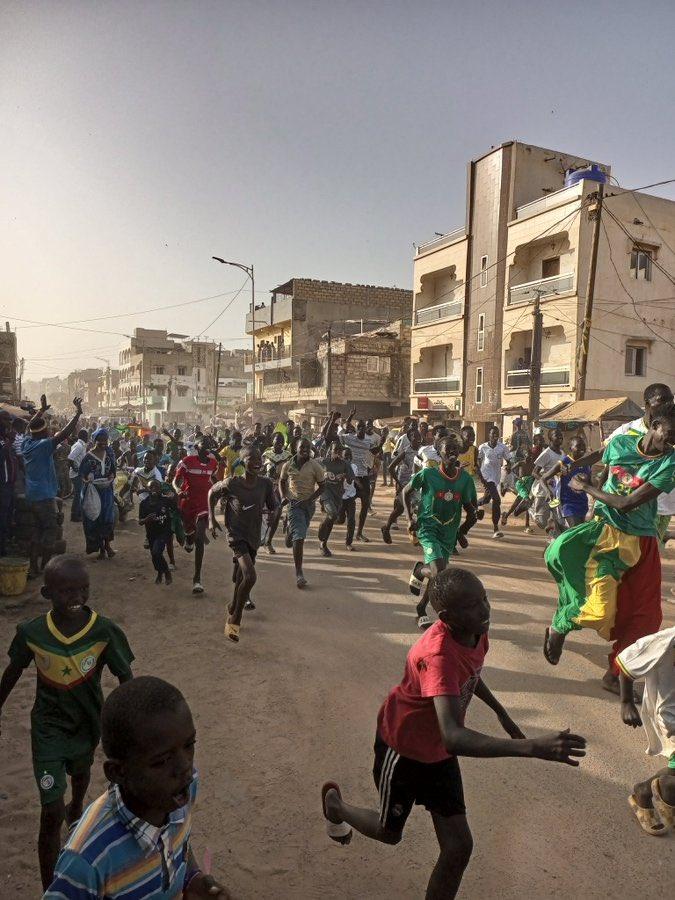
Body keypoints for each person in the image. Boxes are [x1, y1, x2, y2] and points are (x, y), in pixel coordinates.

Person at [321, 568, 586, 900]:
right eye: (473, 606)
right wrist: (530, 746)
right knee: (389, 834)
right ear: (447, 617)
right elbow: (453, 735)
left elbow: (470, 672)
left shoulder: (476, 630)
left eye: (484, 599)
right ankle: (336, 806)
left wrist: (500, 711)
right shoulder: (436, 656)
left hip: (437, 754)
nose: (485, 610)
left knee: (459, 847)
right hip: (404, 749)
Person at [0, 555, 134, 890]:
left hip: (88, 725)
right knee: (51, 813)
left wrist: (131, 723)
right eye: (66, 591)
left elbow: (125, 678)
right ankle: (51, 890)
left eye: (83, 589)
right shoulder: (32, 633)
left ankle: (77, 805)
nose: (76, 597)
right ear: (47, 593)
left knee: (81, 772)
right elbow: (13, 672)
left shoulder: (103, 631)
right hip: (48, 730)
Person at [44, 676, 229, 899]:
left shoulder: (181, 791)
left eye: (189, 745)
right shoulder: (86, 860)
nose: (185, 767)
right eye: (161, 761)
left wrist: (192, 878)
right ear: (118, 772)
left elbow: (177, 843)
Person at [543, 405, 675, 694]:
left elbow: (627, 503)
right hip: (606, 537)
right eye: (669, 433)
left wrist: (586, 487)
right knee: (600, 610)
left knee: (646, 616)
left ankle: (614, 675)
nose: (672, 441)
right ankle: (559, 626)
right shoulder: (620, 442)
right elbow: (602, 456)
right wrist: (576, 468)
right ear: (653, 425)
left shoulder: (670, 462)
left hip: (642, 541)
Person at [403, 434, 478, 630]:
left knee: (439, 573)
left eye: (455, 448)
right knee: (439, 572)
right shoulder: (428, 474)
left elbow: (471, 511)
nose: (452, 452)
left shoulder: (465, 479)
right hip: (428, 527)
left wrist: (462, 532)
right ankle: (422, 609)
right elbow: (405, 491)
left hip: (449, 531)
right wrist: (409, 518)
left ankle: (420, 572)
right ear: (439, 453)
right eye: (448, 449)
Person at [209, 446, 277, 641]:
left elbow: (274, 506)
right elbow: (212, 493)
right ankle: (235, 618)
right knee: (250, 576)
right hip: (236, 535)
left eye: (258, 459)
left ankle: (232, 604)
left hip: (253, 535)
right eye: (251, 459)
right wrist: (212, 519)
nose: (256, 462)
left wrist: (274, 514)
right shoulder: (232, 483)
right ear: (242, 462)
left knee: (241, 578)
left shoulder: (265, 484)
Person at [617, 626, 675, 835]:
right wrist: (626, 702)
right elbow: (627, 660)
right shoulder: (668, 640)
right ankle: (666, 790)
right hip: (670, 714)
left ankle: (644, 791)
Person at [22, 395, 83, 577]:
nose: (50, 432)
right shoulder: (43, 445)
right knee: (50, 530)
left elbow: (28, 427)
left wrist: (41, 411)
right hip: (43, 497)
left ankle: (33, 567)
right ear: (43, 433)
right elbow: (64, 433)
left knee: (37, 532)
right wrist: (77, 413)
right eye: (47, 430)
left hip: (30, 495)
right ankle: (46, 568)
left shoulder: (27, 443)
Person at [173, 439, 218, 595]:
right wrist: (178, 489)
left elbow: (214, 479)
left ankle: (197, 579)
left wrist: (222, 490)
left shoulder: (213, 463)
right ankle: (188, 538)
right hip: (187, 503)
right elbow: (176, 480)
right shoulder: (187, 461)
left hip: (203, 505)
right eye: (202, 445)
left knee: (200, 539)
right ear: (197, 448)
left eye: (208, 445)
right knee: (190, 533)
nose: (206, 447)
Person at [279, 437, 325, 588]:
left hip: (308, 506)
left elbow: (322, 486)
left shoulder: (315, 466)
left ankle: (289, 532)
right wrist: (284, 496)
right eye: (302, 447)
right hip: (294, 504)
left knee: (297, 532)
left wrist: (311, 499)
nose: (305, 449)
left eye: (307, 447)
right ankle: (299, 573)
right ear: (296, 448)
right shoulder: (288, 465)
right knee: (300, 537)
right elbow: (282, 481)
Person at [339, 414, 387, 542]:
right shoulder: (349, 438)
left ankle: (359, 532)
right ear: (356, 428)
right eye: (359, 427)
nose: (360, 429)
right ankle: (347, 527)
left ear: (366, 429)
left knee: (365, 505)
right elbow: (338, 437)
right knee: (345, 510)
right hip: (350, 478)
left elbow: (374, 452)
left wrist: (383, 440)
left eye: (363, 427)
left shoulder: (369, 441)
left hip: (364, 476)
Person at [79, 428, 117, 560]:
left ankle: (107, 545)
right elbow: (82, 475)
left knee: (107, 519)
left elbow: (112, 470)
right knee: (96, 519)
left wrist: (111, 477)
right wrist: (87, 481)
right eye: (100, 440)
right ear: (94, 441)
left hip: (106, 490)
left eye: (105, 440)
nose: (103, 443)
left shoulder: (109, 453)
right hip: (94, 492)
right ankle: (101, 548)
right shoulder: (88, 457)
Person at [540, 436, 591, 534]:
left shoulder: (587, 463)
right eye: (578, 446)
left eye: (583, 445)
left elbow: (590, 483)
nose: (582, 448)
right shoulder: (563, 463)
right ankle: (556, 527)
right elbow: (543, 479)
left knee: (578, 532)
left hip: (583, 503)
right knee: (576, 533)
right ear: (571, 448)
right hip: (568, 504)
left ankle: (556, 527)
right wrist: (548, 491)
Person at [381, 427, 421, 544]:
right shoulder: (406, 451)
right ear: (410, 438)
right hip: (405, 483)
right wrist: (399, 484)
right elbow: (390, 467)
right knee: (400, 509)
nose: (417, 438)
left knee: (416, 509)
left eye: (418, 436)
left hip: (418, 484)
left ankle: (414, 535)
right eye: (414, 436)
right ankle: (386, 528)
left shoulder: (423, 450)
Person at [317, 441, 353, 557]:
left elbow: (351, 479)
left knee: (332, 519)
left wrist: (344, 476)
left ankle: (323, 543)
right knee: (332, 514)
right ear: (330, 451)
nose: (337, 453)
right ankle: (322, 527)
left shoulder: (345, 464)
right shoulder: (323, 461)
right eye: (335, 450)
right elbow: (311, 468)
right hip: (325, 492)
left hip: (338, 494)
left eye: (339, 451)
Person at [139, 479, 176, 585]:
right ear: (148, 489)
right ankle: (160, 572)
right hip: (151, 533)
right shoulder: (144, 504)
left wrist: (173, 495)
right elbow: (140, 521)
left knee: (156, 552)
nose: (154, 489)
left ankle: (167, 572)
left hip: (164, 532)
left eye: (157, 487)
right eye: (151, 487)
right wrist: (146, 520)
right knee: (154, 556)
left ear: (160, 490)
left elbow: (175, 506)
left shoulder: (165, 501)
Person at [477, 426, 511, 539]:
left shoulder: (502, 447)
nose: (495, 435)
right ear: (489, 435)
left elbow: (509, 460)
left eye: (497, 433)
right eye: (492, 433)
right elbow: (477, 461)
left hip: (496, 476)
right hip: (486, 476)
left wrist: (508, 467)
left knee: (487, 499)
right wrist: (480, 476)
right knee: (496, 499)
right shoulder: (483, 447)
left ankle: (474, 504)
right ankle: (496, 528)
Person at [531, 428, 565, 536]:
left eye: (560, 435)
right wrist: (547, 479)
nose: (559, 437)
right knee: (541, 522)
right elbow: (534, 472)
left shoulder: (562, 453)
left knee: (559, 518)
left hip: (556, 491)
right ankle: (529, 509)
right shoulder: (546, 453)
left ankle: (555, 539)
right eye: (556, 435)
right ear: (550, 438)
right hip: (544, 490)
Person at [261, 432, 291, 553]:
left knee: (276, 514)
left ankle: (268, 542)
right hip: (267, 487)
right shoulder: (266, 454)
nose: (278, 443)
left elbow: (292, 472)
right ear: (272, 441)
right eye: (276, 440)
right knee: (265, 515)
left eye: (281, 441)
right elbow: (261, 470)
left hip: (281, 488)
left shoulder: (288, 456)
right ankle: (261, 538)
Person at [67, 429, 88, 523]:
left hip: (78, 473)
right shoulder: (79, 446)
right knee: (78, 495)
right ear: (84, 437)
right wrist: (76, 469)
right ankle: (74, 515)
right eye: (87, 436)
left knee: (79, 494)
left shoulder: (80, 445)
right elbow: (70, 458)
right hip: (76, 474)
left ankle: (78, 513)